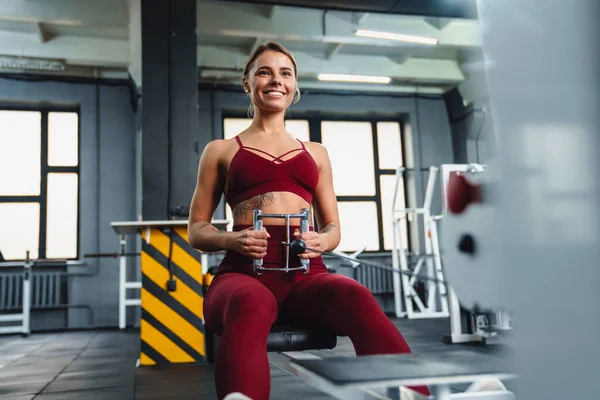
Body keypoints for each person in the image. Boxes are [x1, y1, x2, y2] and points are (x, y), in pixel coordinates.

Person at [187, 41, 430, 400]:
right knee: (250, 303)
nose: (276, 80)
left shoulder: (315, 152)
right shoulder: (221, 150)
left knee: (356, 295)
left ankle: (412, 393)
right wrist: (229, 240)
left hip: (306, 275)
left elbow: (333, 229)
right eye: (264, 72)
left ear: (294, 86)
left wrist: (322, 241)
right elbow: (197, 228)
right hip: (242, 274)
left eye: (285, 73)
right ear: (247, 83)